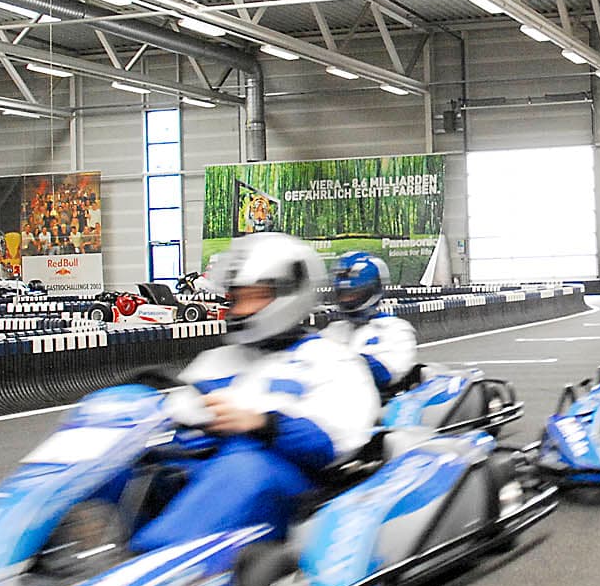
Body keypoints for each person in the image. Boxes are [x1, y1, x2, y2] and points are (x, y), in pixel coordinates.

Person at [123, 232, 379, 552]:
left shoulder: (333, 360)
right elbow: (180, 410)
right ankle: (55, 546)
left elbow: (335, 441)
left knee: (242, 467)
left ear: (289, 293)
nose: (239, 308)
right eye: (236, 298)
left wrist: (262, 423)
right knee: (125, 455)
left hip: (280, 478)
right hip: (199, 468)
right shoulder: (216, 359)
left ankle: (148, 565)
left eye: (253, 296)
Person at [326, 251, 418, 394]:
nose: (347, 300)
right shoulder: (333, 331)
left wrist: (341, 358)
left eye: (353, 294)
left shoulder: (396, 329)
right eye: (344, 295)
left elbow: (389, 374)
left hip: (381, 407)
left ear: (373, 290)